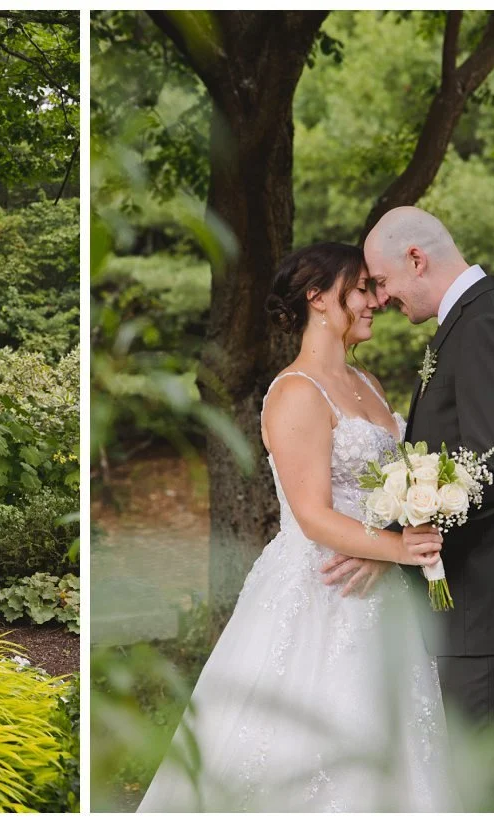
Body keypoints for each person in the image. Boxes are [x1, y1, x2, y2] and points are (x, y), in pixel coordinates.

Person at [138, 242, 452, 812]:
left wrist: (397, 543)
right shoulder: (295, 391)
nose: (375, 301)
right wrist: (403, 549)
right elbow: (311, 515)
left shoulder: (369, 383)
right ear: (318, 299)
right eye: (361, 289)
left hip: (379, 584)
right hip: (323, 587)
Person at [363, 206, 494, 809]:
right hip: (490, 604)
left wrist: (414, 519)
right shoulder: (476, 320)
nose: (380, 298)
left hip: (486, 601)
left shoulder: (486, 325)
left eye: (380, 281)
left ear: (416, 260)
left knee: (488, 796)